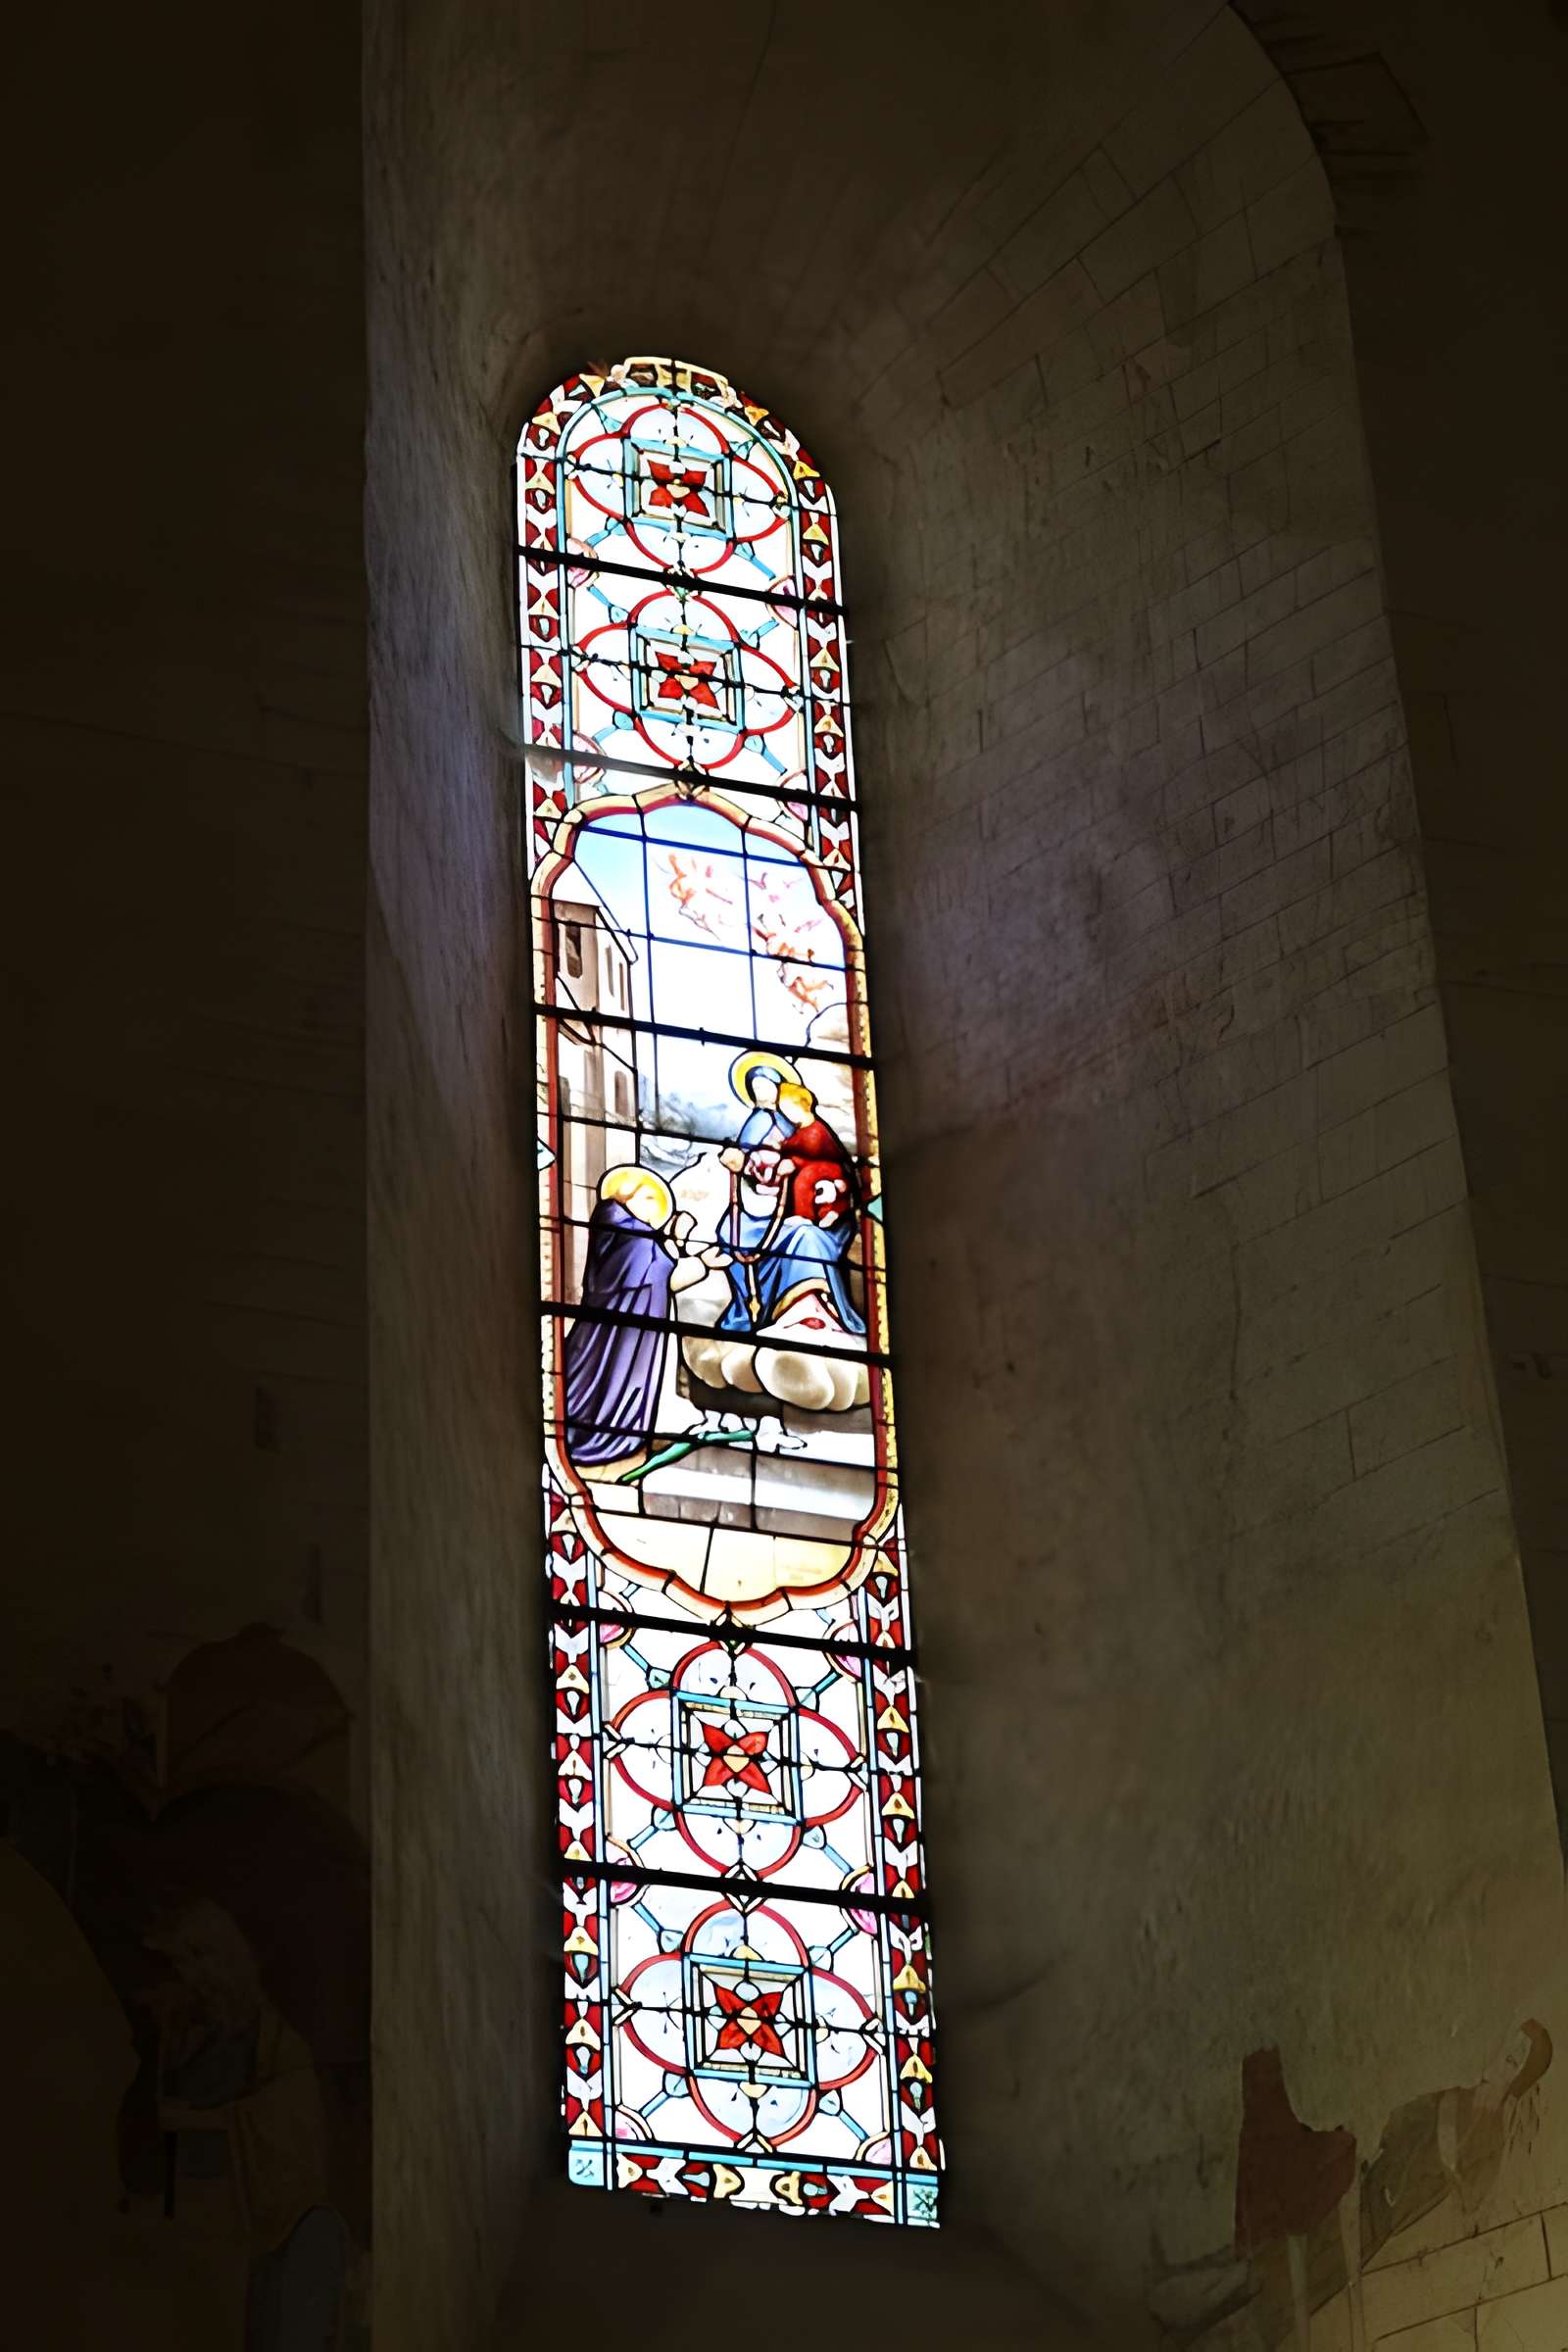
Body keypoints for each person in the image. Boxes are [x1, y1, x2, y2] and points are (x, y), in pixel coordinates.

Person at [562, 1164, 725, 1469]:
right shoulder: (621, 1229)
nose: (655, 1209)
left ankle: (614, 1425)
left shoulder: (636, 1237)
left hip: (627, 1324)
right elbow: (655, 1271)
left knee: (614, 1373)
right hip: (613, 1327)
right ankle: (595, 1429)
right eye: (649, 1198)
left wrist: (697, 1259)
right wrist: (685, 1250)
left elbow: (659, 1276)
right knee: (601, 1377)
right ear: (627, 1195)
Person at [718, 1081, 864, 1338]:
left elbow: (837, 1181)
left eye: (773, 1147)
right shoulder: (742, 1201)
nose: (763, 1161)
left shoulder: (808, 1147)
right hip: (761, 1228)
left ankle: (812, 1310)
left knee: (808, 1237)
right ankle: (763, 1314)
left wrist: (834, 1189)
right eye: (755, 1151)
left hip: (812, 1223)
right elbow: (734, 1234)